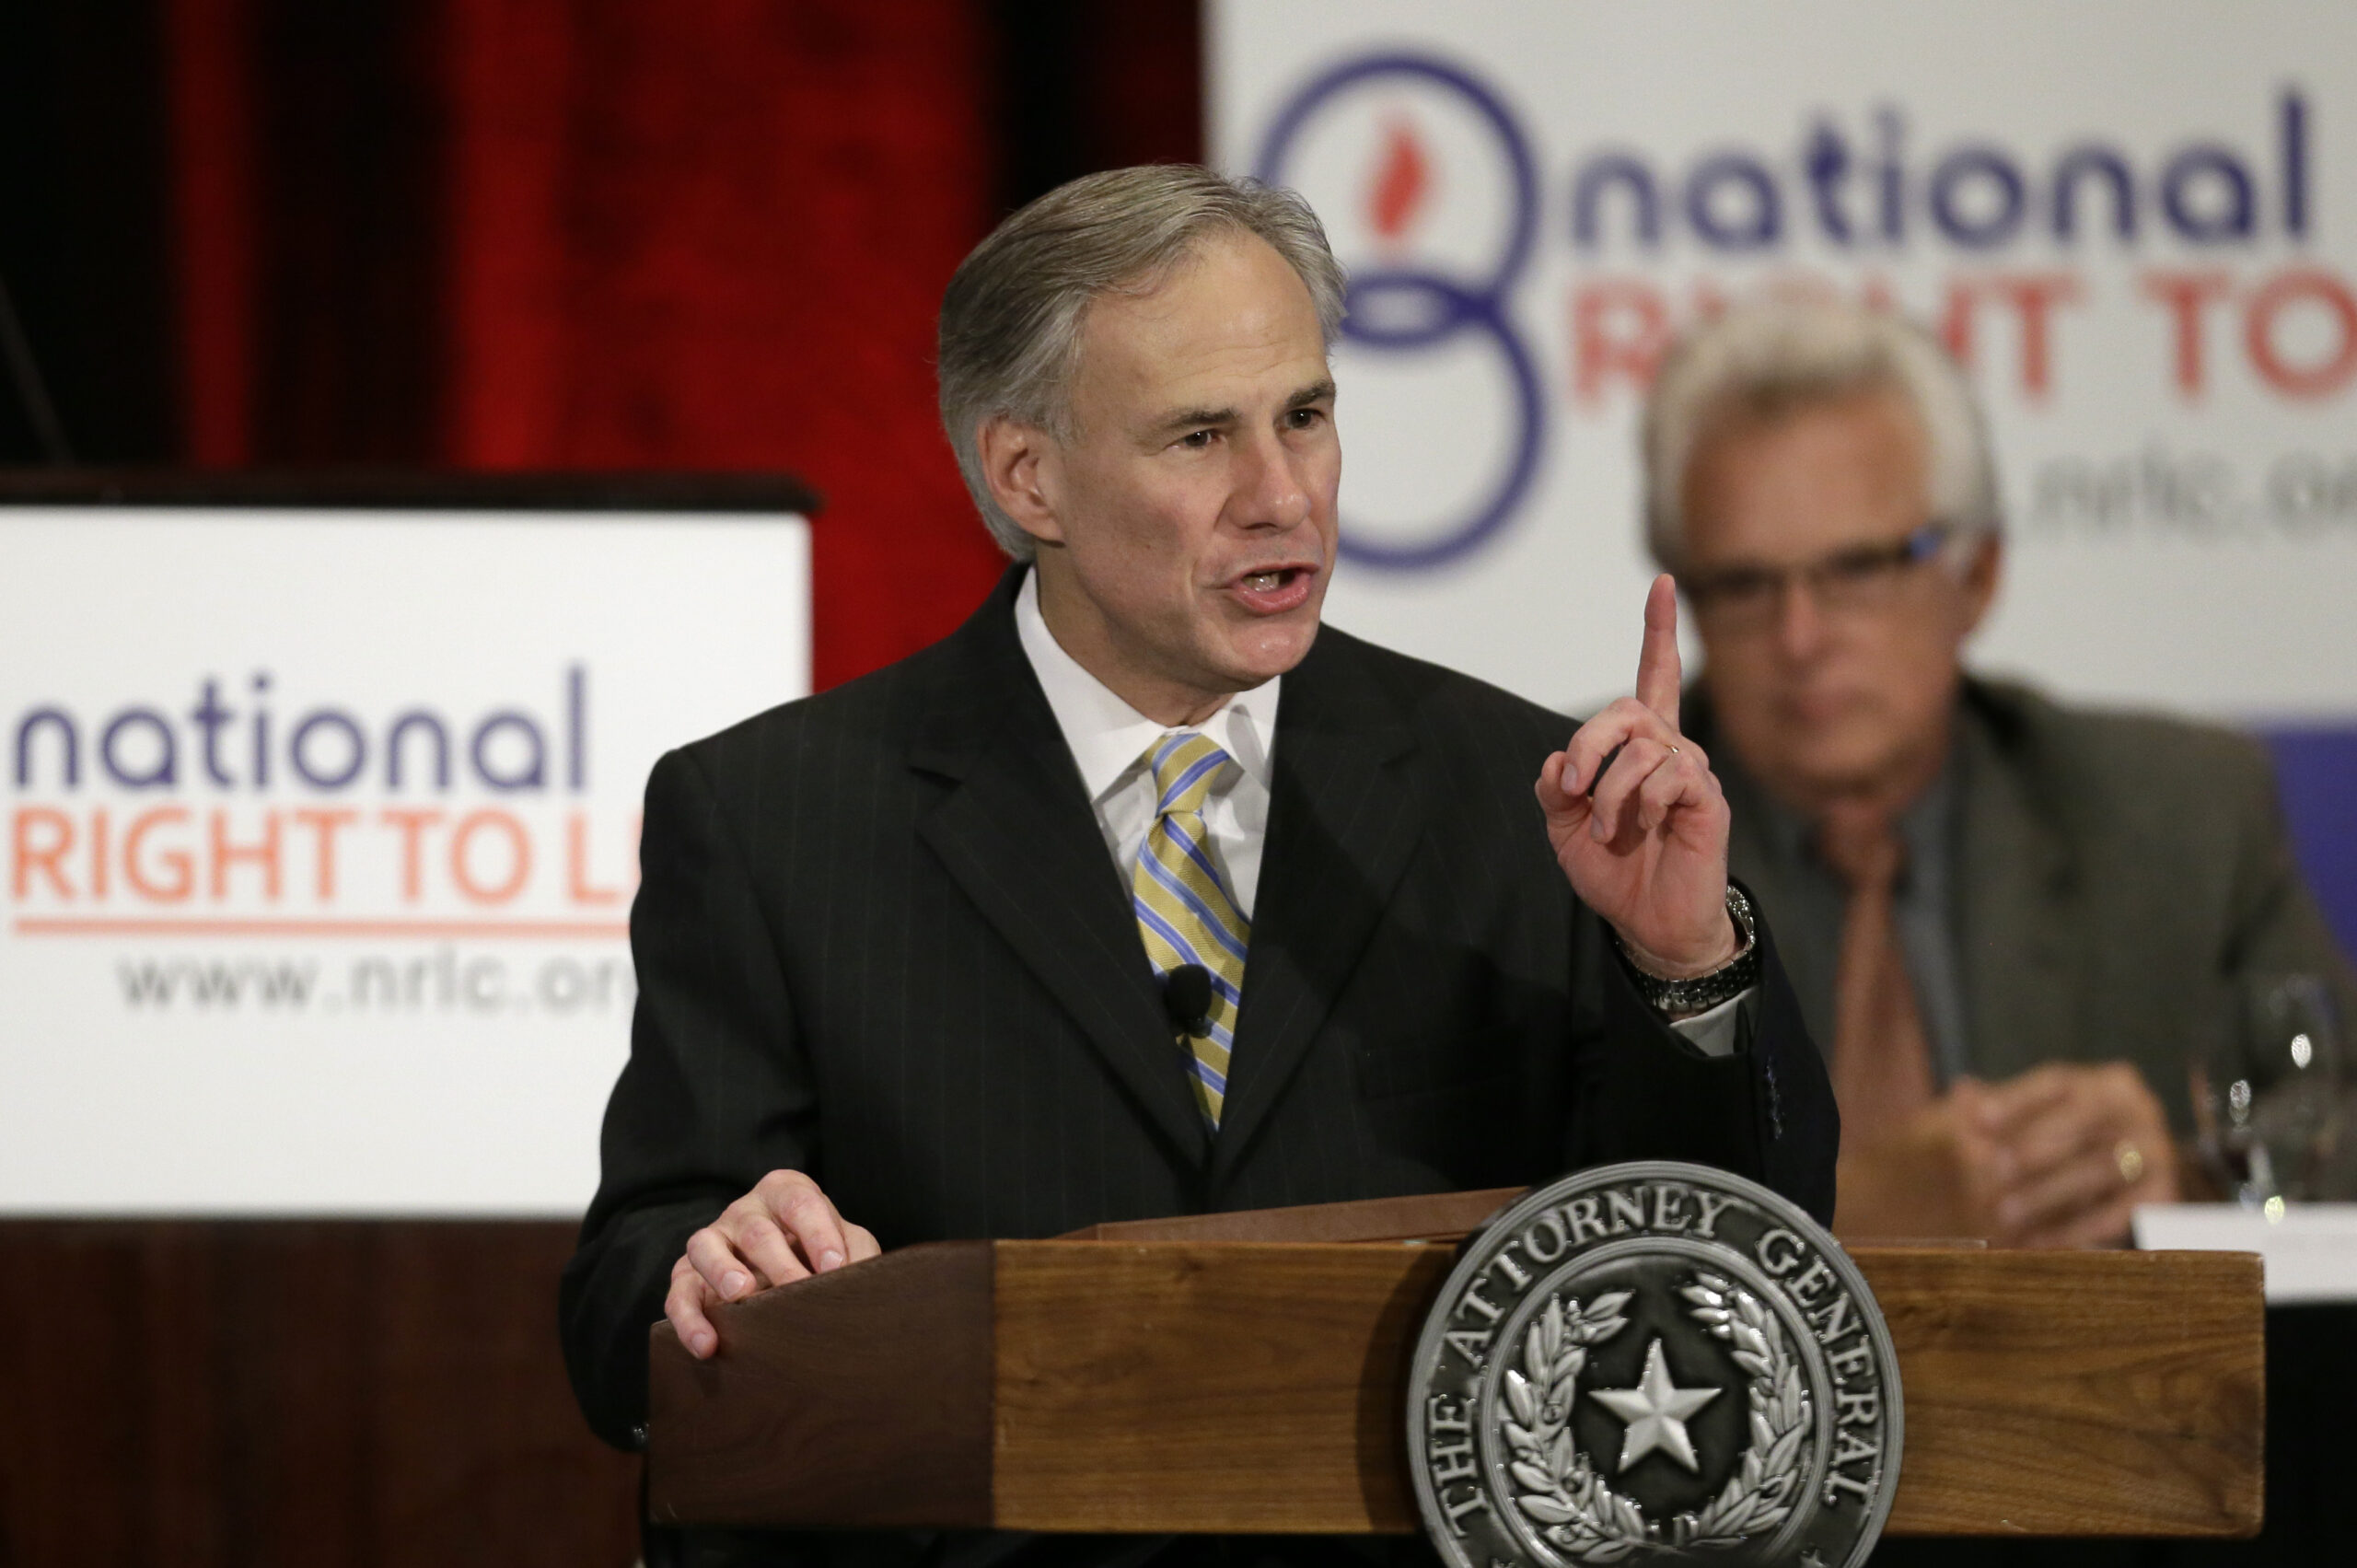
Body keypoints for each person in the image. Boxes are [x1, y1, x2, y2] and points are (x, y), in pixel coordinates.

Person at [560, 166, 1835, 1562]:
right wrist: (711, 1267)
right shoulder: (775, 819)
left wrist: (1681, 959)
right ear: (1028, 474)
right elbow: (625, 1306)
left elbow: (1736, 1281)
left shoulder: (1525, 798)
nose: (1280, 494)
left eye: (1305, 415)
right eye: (1199, 436)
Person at [1643, 296, 2356, 1248]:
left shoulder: (2184, 814)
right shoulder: (1595, 835)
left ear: (1976, 575)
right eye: (1742, 584)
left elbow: (2331, 1131)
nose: (1799, 637)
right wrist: (1838, 1212)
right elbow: (1512, 1202)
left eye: (1858, 569)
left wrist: (2187, 1184)